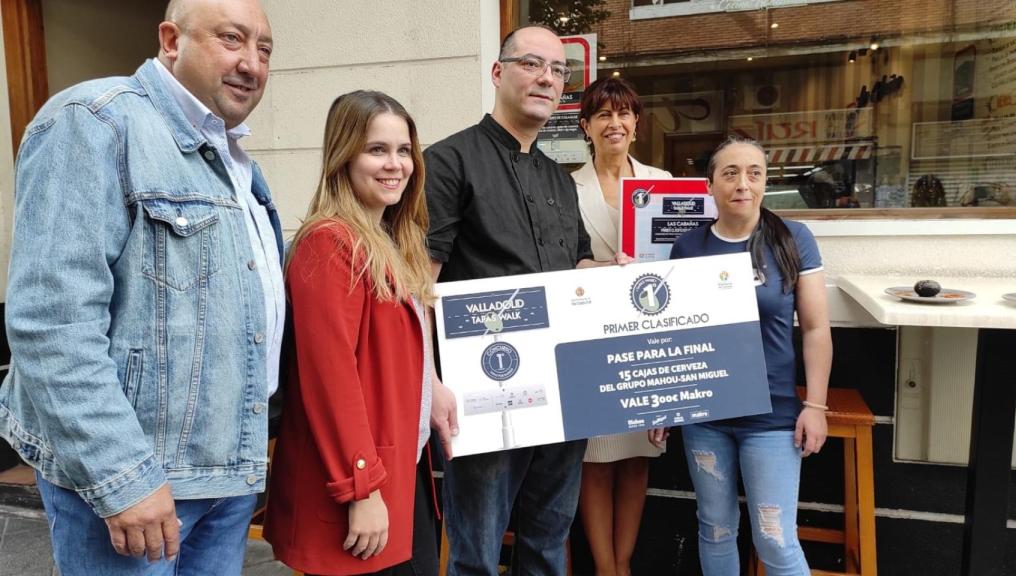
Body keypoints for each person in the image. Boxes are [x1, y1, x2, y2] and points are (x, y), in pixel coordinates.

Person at [0, 1, 282, 574]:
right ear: (171, 39)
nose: (251, 63)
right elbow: (52, 324)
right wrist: (121, 476)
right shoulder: (94, 120)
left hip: (224, 475)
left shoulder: (234, 157)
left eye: (265, 48)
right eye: (232, 39)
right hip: (139, 486)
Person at [426, 25, 624, 576]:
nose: (546, 78)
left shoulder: (561, 180)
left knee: (546, 540)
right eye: (532, 64)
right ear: (498, 72)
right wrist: (430, 382)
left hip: (563, 387)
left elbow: (577, 266)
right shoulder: (447, 162)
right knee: (477, 555)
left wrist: (610, 276)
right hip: (485, 388)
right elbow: (421, 284)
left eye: (558, 71)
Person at [263, 90, 438, 576]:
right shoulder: (328, 243)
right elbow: (330, 377)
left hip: (403, 471)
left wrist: (434, 391)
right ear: (344, 156)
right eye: (377, 150)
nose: (395, 164)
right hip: (360, 485)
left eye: (403, 151)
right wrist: (360, 487)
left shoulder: (389, 239)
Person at [652, 136, 832, 576]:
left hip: (772, 419)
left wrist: (816, 406)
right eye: (730, 173)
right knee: (714, 529)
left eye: (754, 173)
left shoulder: (793, 238)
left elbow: (815, 328)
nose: (742, 184)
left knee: (775, 540)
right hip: (705, 417)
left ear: (765, 183)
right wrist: (666, 402)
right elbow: (677, 334)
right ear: (710, 185)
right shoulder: (689, 248)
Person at [571, 76, 668, 576]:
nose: (615, 123)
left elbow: (682, 261)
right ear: (586, 126)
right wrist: (607, 272)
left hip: (651, 334)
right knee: (595, 458)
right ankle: (605, 568)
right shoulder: (566, 187)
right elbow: (565, 262)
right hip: (592, 336)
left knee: (637, 457)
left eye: (624, 113)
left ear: (636, 123)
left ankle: (624, 565)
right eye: (603, 115)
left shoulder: (664, 181)